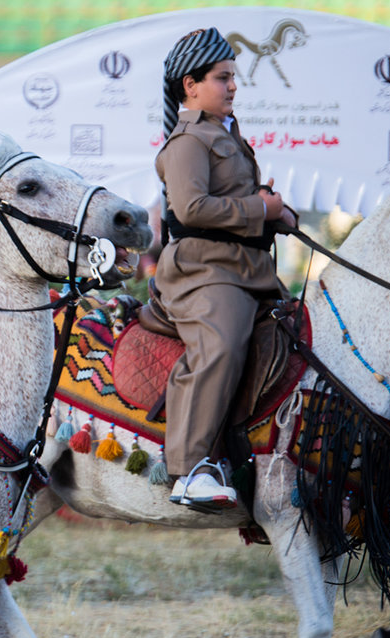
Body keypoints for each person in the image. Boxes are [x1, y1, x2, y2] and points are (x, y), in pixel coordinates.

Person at [155, 28, 297, 508]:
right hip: (205, 272)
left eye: (233, 77)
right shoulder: (188, 142)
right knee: (221, 344)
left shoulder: (227, 136)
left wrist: (279, 213)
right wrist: (261, 209)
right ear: (190, 85)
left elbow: (242, 204)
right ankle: (189, 470)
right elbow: (192, 208)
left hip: (246, 267)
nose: (233, 86)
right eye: (222, 78)